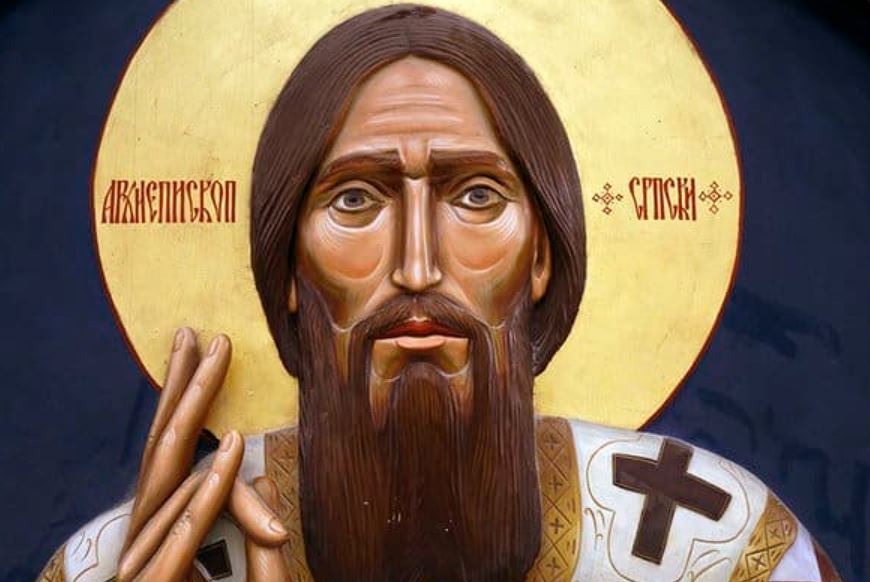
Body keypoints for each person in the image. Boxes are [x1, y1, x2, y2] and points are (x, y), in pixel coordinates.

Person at [39, 5, 841, 582]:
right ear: (286, 272)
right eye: (356, 199)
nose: (417, 267)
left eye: (477, 196)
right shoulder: (132, 567)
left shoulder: (714, 549)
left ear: (542, 258)